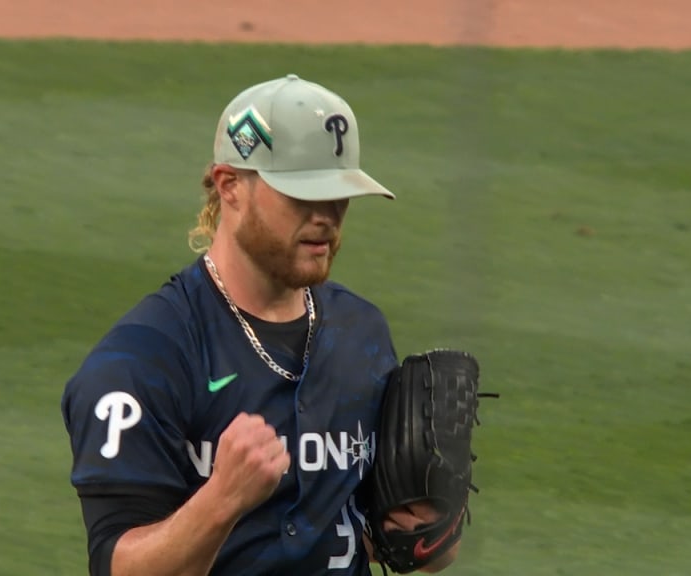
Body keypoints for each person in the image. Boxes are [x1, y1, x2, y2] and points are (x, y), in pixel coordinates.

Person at [61, 74, 460, 576]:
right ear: (230, 186)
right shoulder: (142, 361)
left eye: (338, 196)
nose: (326, 217)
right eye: (302, 194)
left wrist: (425, 529)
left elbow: (397, 540)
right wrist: (223, 499)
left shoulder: (361, 332)